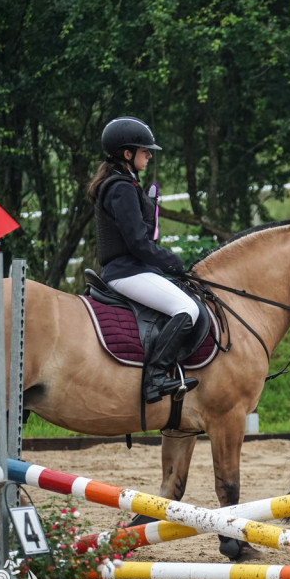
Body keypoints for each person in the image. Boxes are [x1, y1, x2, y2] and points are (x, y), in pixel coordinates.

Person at [87, 116, 199, 404]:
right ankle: (156, 378)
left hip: (133, 269)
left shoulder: (124, 183)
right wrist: (173, 261)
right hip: (127, 271)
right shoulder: (121, 187)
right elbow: (137, 243)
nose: (149, 155)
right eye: (144, 150)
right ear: (127, 154)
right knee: (187, 308)